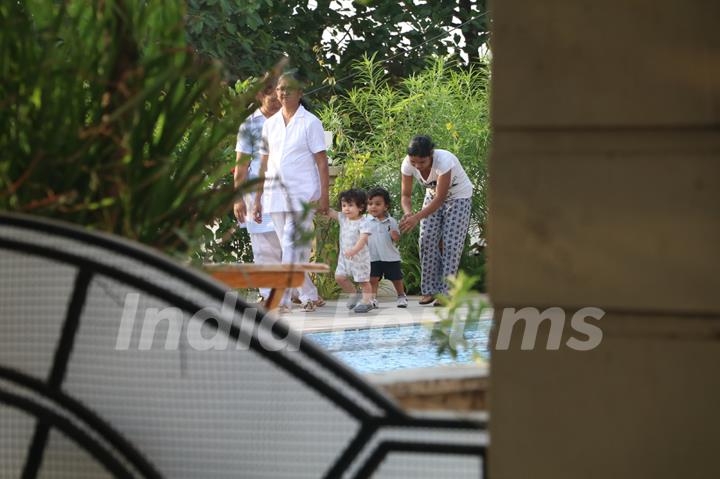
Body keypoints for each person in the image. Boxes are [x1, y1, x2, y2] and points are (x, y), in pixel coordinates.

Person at [253, 71, 330, 313]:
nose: (283, 93)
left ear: (300, 93)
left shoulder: (310, 122)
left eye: (289, 89)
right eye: (280, 89)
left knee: (289, 245)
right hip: (274, 194)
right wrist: (256, 199)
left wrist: (325, 195)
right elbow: (263, 164)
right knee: (294, 250)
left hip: (303, 194)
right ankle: (310, 295)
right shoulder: (269, 125)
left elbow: (321, 161)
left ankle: (281, 299)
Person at [399, 135, 473, 305]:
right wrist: (409, 213)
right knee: (426, 240)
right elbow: (405, 196)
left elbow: (440, 199)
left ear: (431, 154)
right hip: (432, 196)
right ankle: (429, 290)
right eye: (413, 162)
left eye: (422, 162)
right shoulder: (407, 164)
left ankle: (447, 293)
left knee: (451, 243)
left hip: (458, 197)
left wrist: (417, 217)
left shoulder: (444, 161)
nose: (417, 166)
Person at [233, 78, 282, 303]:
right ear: (260, 96)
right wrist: (238, 199)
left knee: (289, 243)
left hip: (286, 191)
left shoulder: (292, 119)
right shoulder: (249, 125)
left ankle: (292, 294)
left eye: (279, 94)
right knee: (263, 247)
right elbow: (241, 165)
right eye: (270, 95)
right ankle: (268, 294)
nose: (275, 100)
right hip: (256, 193)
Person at [324, 189, 373, 313]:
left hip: (359, 258)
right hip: (344, 258)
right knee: (339, 277)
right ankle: (353, 294)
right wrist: (320, 206)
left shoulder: (364, 222)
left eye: (350, 205)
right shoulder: (343, 218)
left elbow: (363, 239)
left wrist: (354, 250)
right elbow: (329, 212)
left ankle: (368, 301)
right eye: (344, 205)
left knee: (363, 281)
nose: (346, 208)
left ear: (361, 207)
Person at [366, 187, 407, 308]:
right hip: (372, 256)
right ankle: (372, 299)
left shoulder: (391, 221)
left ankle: (401, 296)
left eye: (378, 204)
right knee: (373, 279)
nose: (373, 207)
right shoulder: (365, 221)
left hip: (390, 256)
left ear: (386, 206)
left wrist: (395, 236)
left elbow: (397, 239)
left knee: (396, 278)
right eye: (370, 204)